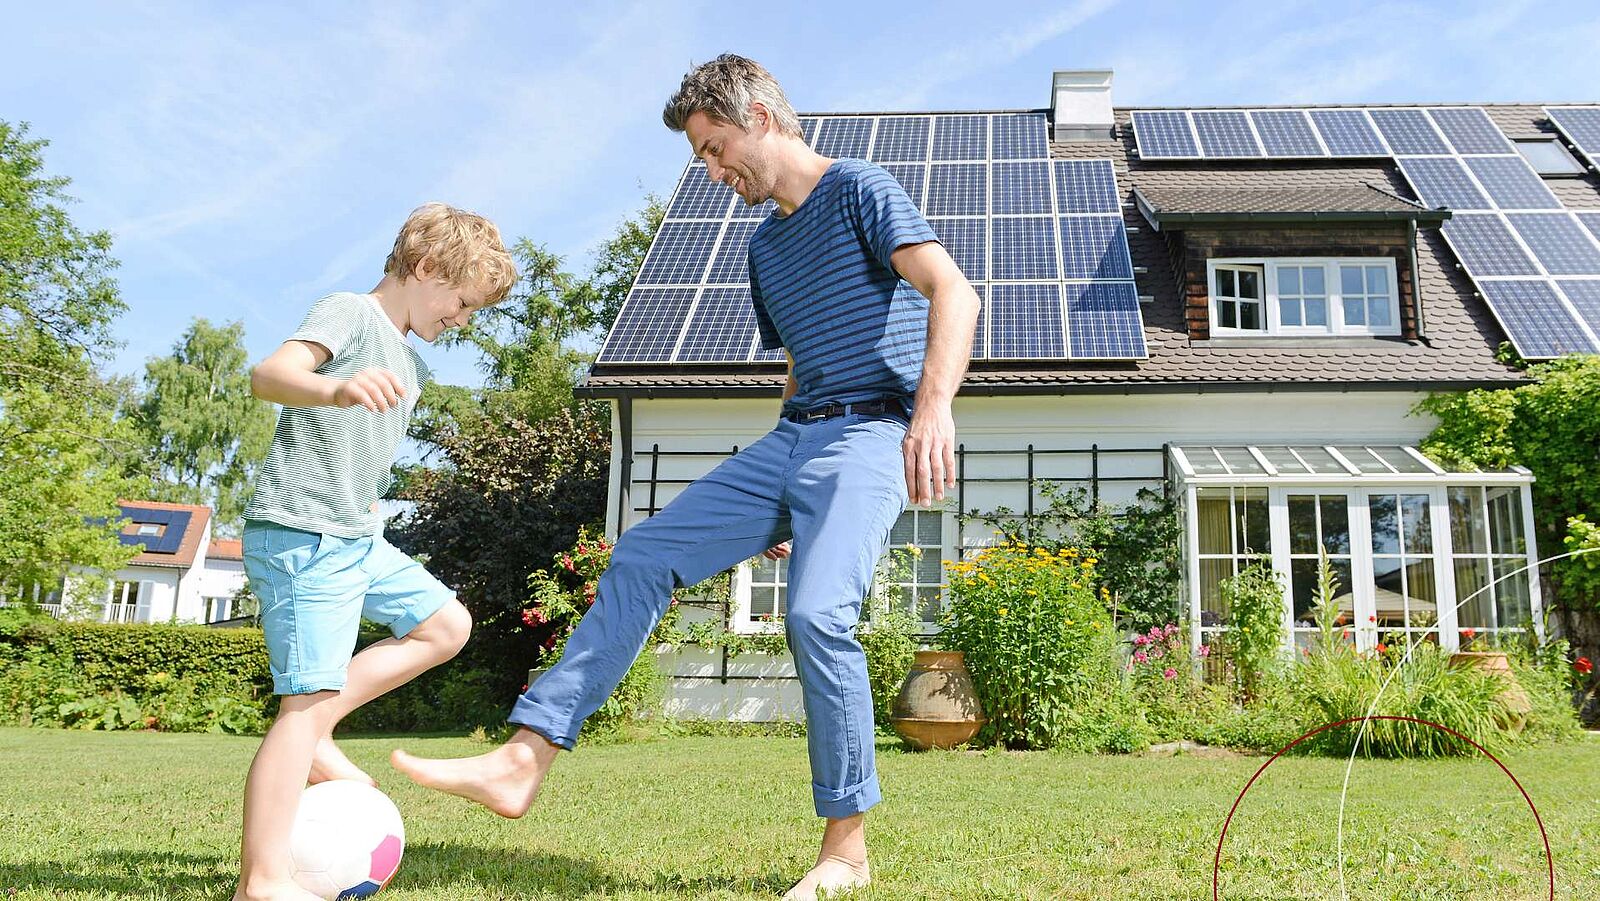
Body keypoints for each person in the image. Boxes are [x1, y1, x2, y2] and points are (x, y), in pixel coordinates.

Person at [391, 54, 979, 900]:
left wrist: (932, 408)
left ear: (762, 119)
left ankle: (846, 850)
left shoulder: (859, 188)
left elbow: (952, 291)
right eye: (700, 156)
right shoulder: (765, 246)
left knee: (818, 615)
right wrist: (776, 491)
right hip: (795, 438)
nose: (710, 170)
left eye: (714, 146)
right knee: (642, 554)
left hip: (869, 431)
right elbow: (794, 369)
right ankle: (525, 757)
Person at [233, 202, 517, 901]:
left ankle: (320, 724)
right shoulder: (352, 313)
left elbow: (361, 458)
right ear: (424, 268)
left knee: (446, 625)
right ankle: (262, 881)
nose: (462, 319)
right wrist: (335, 387)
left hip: (356, 536)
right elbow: (269, 374)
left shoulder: (410, 363)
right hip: (304, 533)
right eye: (460, 301)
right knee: (302, 704)